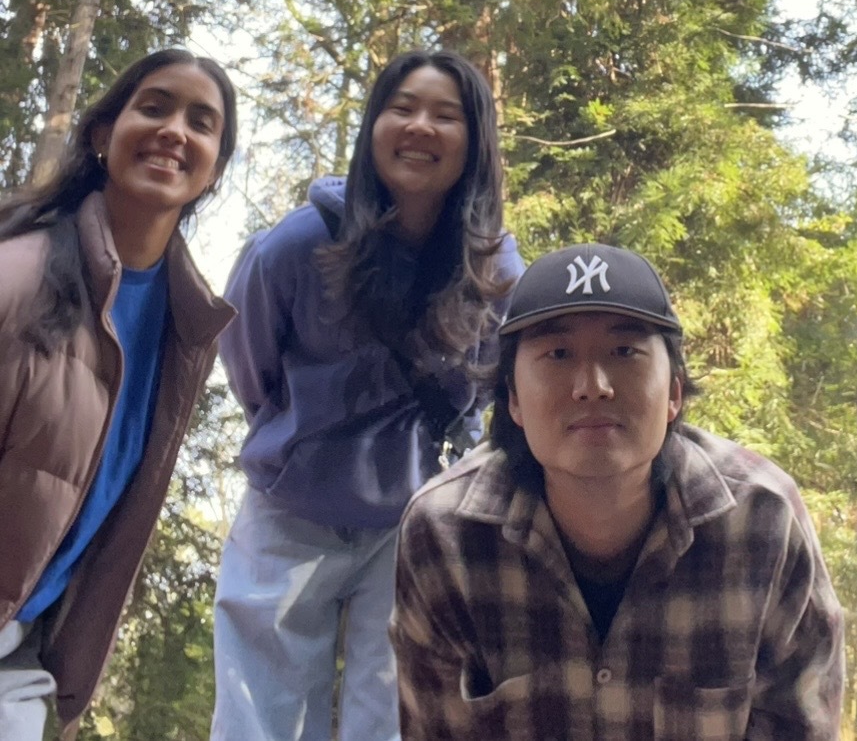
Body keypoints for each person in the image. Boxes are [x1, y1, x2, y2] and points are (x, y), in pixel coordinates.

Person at [392, 241, 845, 741]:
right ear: (513, 399)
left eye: (624, 352)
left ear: (674, 392)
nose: (593, 385)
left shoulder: (763, 523)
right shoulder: (445, 537)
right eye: (558, 354)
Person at [211, 49, 523, 741]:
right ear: (373, 126)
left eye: (445, 116)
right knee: (261, 719)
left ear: (474, 142)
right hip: (287, 513)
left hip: (411, 526)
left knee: (395, 721)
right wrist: (296, 440)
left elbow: (491, 387)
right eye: (402, 108)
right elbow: (248, 357)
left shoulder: (493, 268)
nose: (420, 127)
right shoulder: (299, 244)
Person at [0, 48, 238, 741]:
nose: (174, 131)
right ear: (104, 135)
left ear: (214, 168)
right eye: (154, 108)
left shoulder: (187, 326)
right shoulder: (15, 278)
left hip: (23, 654)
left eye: (201, 122)